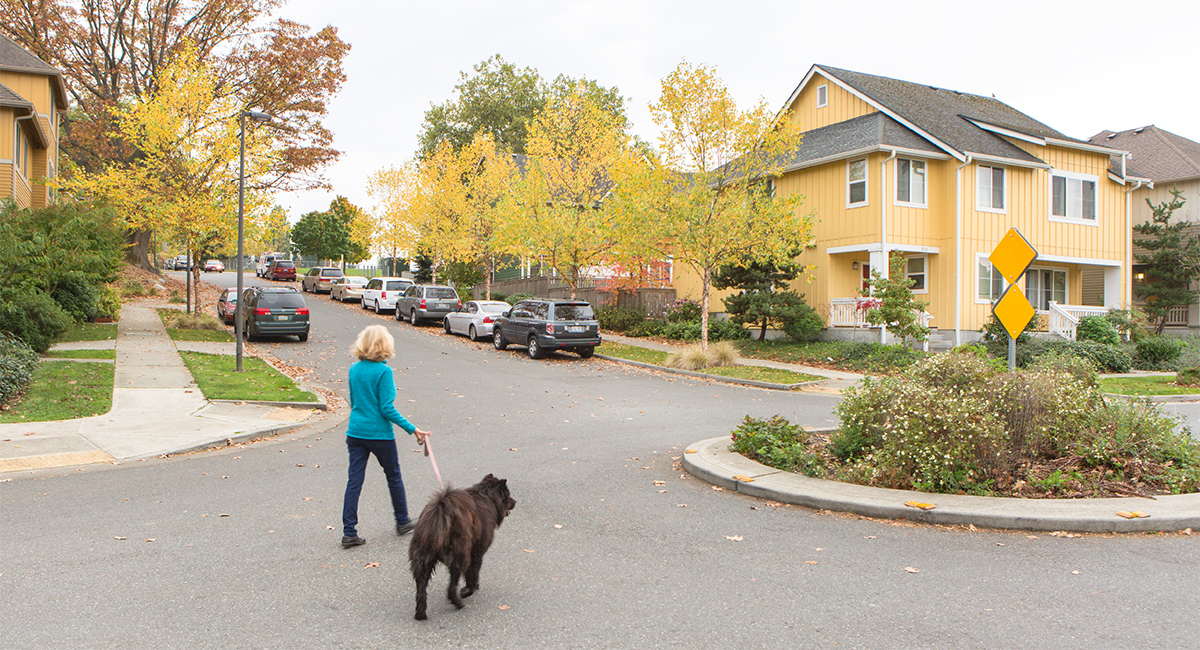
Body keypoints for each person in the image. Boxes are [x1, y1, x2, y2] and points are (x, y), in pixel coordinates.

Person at [341, 325, 431, 549]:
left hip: (355, 432)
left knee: (354, 480)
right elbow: (386, 409)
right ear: (385, 345)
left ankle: (349, 532)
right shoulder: (384, 372)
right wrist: (413, 428)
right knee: (393, 476)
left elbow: (354, 401)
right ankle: (402, 520)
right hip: (379, 434)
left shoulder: (354, 369)